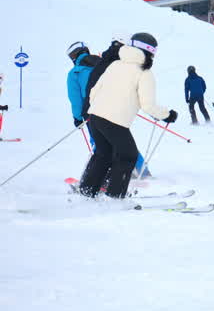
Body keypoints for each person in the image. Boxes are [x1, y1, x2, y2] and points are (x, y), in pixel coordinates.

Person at [78, 33, 177, 198]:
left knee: (103, 154)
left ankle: (87, 192)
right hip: (114, 122)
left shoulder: (115, 64)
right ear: (149, 53)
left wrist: (100, 108)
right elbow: (148, 105)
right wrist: (167, 115)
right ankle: (115, 197)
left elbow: (94, 91)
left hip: (95, 116)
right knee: (128, 155)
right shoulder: (144, 73)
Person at [66, 41, 98, 129]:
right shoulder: (103, 64)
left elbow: (75, 98)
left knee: (99, 141)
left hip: (91, 112)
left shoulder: (75, 72)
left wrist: (78, 118)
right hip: (112, 110)